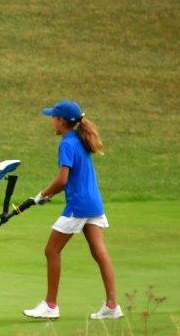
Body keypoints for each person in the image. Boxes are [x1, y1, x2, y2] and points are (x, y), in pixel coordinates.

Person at [23, 100, 122, 321]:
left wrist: (42, 196)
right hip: (94, 203)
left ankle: (50, 305)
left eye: (53, 118)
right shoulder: (79, 139)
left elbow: (62, 180)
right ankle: (112, 305)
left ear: (61, 121)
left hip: (78, 205)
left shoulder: (67, 143)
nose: (51, 122)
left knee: (51, 250)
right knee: (100, 253)